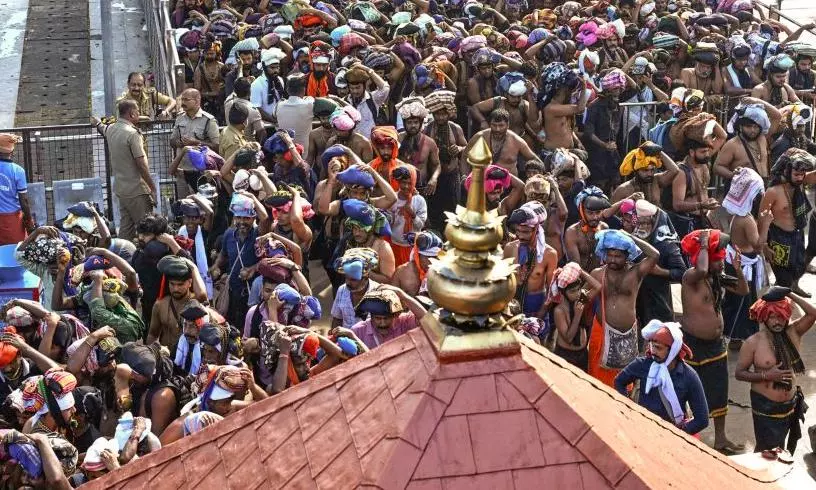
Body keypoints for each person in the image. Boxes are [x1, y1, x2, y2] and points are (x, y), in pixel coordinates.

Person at [680, 229, 749, 454]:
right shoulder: (691, 276)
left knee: (719, 391)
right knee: (685, 391)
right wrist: (703, 244)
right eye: (718, 259)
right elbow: (701, 268)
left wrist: (738, 271)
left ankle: (721, 439)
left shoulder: (716, 277)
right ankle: (681, 435)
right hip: (692, 345)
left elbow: (743, 289)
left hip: (716, 344)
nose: (722, 264)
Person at [735, 287, 815, 454]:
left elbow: (813, 313)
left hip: (790, 405)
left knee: (784, 452)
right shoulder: (752, 342)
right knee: (767, 453)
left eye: (780, 316)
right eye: (772, 316)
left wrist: (789, 293)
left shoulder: (794, 332)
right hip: (766, 409)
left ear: (786, 316)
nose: (777, 321)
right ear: (764, 317)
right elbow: (739, 373)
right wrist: (767, 375)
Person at [615, 320, 709, 435]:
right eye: (652, 346)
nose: (653, 351)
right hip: (643, 432)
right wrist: (628, 411)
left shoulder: (689, 376)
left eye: (658, 348)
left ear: (673, 350)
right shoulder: (643, 364)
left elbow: (702, 419)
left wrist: (678, 434)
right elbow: (619, 381)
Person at [721, 168, 771, 347]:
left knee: (738, 302)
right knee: (742, 304)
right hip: (742, 266)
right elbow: (758, 246)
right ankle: (738, 336)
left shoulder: (738, 215)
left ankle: (736, 335)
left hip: (738, 262)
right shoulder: (746, 220)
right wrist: (765, 224)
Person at [95, 100, 156, 240]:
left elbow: (102, 128)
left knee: (126, 228)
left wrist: (97, 122)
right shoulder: (133, 134)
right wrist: (152, 187)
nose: (139, 115)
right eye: (137, 112)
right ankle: (148, 258)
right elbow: (141, 164)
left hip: (121, 189)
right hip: (137, 190)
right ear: (132, 113)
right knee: (147, 229)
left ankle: (121, 256)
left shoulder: (111, 129)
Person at [760, 148, 816, 296]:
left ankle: (792, 289)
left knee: (797, 269)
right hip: (779, 240)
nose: (800, 178)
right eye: (796, 174)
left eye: (802, 174)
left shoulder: (801, 183)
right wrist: (765, 246)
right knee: (783, 281)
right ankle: (773, 309)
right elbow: (762, 218)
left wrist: (799, 153)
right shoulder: (773, 192)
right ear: (786, 171)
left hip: (797, 236)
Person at [632, 200, 687, 326]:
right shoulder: (633, 240)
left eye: (646, 223)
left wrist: (659, 271)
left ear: (655, 222)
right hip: (636, 301)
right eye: (639, 223)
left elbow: (682, 272)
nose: (641, 227)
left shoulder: (666, 245)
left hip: (658, 302)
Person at [505, 201, 557, 318]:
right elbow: (503, 281)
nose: (520, 236)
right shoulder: (510, 248)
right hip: (512, 307)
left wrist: (542, 313)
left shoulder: (549, 254)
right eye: (517, 231)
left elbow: (551, 289)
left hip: (536, 307)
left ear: (537, 229)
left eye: (526, 232)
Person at [549, 262, 601, 370]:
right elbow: (568, 338)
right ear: (563, 292)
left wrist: (579, 271)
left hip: (582, 353)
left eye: (578, 289)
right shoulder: (559, 310)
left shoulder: (580, 299)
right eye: (572, 291)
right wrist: (578, 315)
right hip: (566, 355)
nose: (577, 293)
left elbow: (598, 286)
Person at [169, 89, 220, 197]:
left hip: (201, 173)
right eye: (182, 99)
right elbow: (172, 141)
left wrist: (196, 143)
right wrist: (180, 143)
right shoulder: (179, 118)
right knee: (183, 206)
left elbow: (216, 146)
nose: (182, 103)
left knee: (200, 207)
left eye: (186, 100)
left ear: (197, 101)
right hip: (181, 172)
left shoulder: (208, 120)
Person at [466, 108, 541, 176]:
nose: (497, 129)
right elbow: (464, 156)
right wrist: (464, 177)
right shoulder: (480, 137)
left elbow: (535, 160)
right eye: (494, 125)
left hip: (509, 185)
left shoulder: (517, 141)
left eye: (501, 125)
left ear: (507, 125)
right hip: (483, 183)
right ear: (490, 124)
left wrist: (538, 176)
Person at [349, 285, 426, 349]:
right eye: (378, 318)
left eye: (386, 318)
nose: (383, 323)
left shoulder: (405, 322)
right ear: (371, 316)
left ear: (396, 315)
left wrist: (401, 294)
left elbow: (428, 321)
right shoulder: (358, 331)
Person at [612, 143, 679, 206]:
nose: (649, 174)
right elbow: (610, 214)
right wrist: (629, 199)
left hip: (657, 217)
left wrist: (659, 152)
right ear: (636, 170)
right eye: (645, 170)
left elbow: (675, 170)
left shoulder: (657, 181)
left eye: (652, 170)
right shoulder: (624, 189)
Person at [0, 133, 33, 243]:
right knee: (15, 252)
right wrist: (29, 220)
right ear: (12, 152)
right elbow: (23, 200)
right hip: (12, 220)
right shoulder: (18, 171)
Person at [275, 74, 316, 159]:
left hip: (284, 155)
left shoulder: (279, 105)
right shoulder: (309, 104)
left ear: (287, 90)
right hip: (304, 156)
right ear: (304, 90)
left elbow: (274, 115)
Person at [391, 231, 443, 297]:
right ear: (417, 255)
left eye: (435, 257)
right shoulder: (401, 272)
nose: (431, 261)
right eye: (427, 257)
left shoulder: (441, 275)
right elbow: (390, 299)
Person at [346, 64, 390, 140]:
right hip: (352, 145)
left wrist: (367, 69)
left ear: (364, 85)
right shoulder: (345, 102)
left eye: (358, 88)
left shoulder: (373, 98)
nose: (355, 91)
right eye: (352, 88)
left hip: (371, 144)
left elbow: (385, 89)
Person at [224, 77, 266, 143]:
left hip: (230, 142)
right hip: (248, 147)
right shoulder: (253, 110)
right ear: (249, 92)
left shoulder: (228, 103)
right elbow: (261, 133)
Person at [251, 47, 287, 123]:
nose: (276, 71)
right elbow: (256, 109)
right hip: (265, 126)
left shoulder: (280, 80)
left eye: (277, 67)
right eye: (272, 68)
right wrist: (273, 121)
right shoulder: (257, 84)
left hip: (280, 123)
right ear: (264, 67)